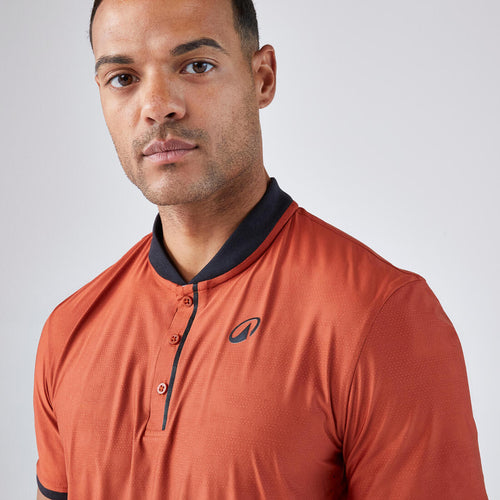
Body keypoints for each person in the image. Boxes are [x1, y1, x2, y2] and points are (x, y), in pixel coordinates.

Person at [33, 0, 487, 498]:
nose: (157, 106)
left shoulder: (383, 317)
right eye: (123, 78)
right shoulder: (68, 331)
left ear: (262, 78)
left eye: (196, 66)